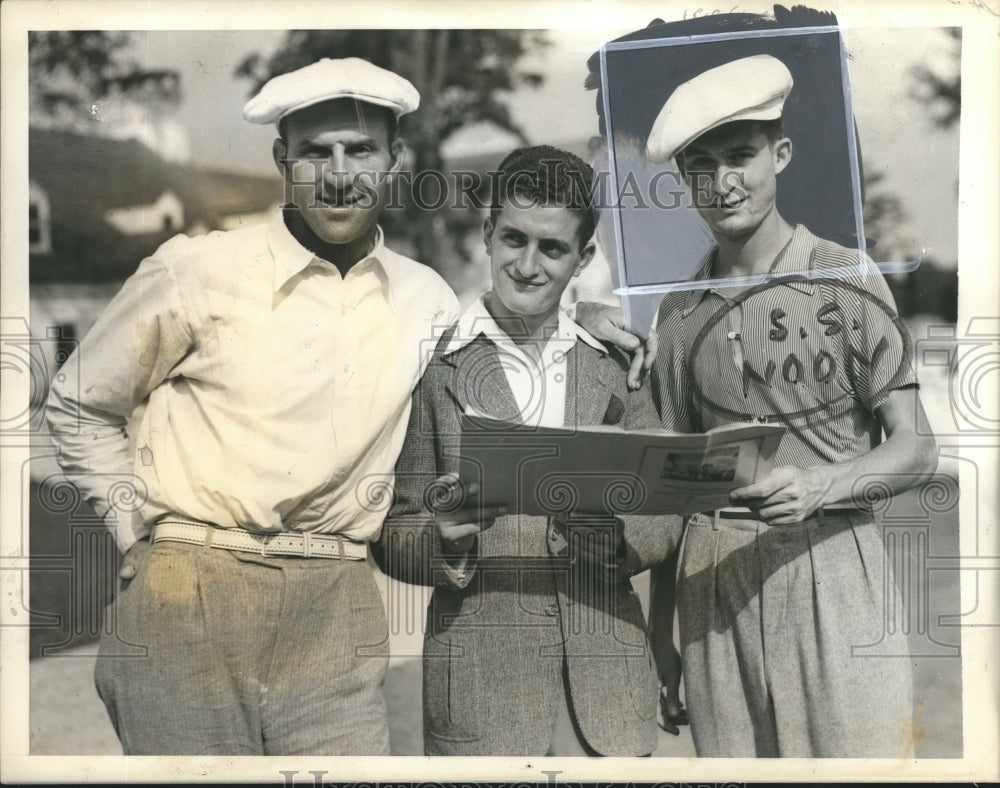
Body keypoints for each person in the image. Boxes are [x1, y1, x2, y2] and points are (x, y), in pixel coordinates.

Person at [44, 57, 463, 755]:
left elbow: (505, 345)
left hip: (337, 607)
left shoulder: (428, 300)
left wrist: (594, 319)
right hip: (189, 597)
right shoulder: (198, 271)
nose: (338, 173)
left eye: (359, 150)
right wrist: (130, 527)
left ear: (395, 159)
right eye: (314, 152)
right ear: (282, 159)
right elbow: (79, 403)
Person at [643, 54, 939, 757]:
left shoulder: (846, 277)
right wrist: (660, 634)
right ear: (684, 179)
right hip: (711, 581)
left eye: (740, 156)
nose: (724, 182)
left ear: (780, 153)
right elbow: (670, 485)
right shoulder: (680, 311)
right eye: (701, 166)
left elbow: (917, 446)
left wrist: (819, 484)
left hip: (831, 558)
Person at [373, 145, 683, 757]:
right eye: (513, 239)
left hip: (607, 697)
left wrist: (617, 539)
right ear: (487, 235)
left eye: (553, 248)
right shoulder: (435, 370)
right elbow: (392, 530)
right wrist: (447, 537)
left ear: (583, 258)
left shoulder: (619, 367)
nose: (528, 265)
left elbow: (665, 512)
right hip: (483, 696)